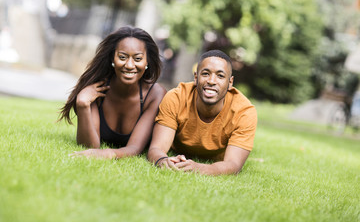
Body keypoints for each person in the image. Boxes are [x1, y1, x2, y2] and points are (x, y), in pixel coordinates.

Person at [59, 26, 166, 159]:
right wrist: (82, 104)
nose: (129, 65)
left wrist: (109, 153)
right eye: (122, 57)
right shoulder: (96, 88)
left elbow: (134, 148)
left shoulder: (154, 95)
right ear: (112, 59)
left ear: (147, 62)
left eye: (137, 59)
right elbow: (90, 145)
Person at [147, 50, 257, 175]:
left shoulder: (244, 112)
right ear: (196, 78)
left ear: (230, 83)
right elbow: (156, 148)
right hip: (178, 150)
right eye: (205, 74)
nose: (211, 81)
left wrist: (201, 168)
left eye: (220, 76)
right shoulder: (176, 97)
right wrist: (163, 160)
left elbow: (233, 165)